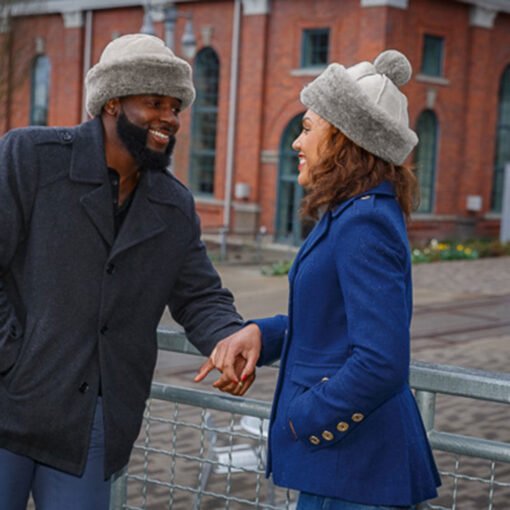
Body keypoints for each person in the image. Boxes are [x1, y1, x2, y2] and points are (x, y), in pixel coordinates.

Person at [0, 33, 255, 510]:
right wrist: (11, 352)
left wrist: (231, 338)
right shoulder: (30, 158)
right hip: (7, 400)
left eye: (176, 107)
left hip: (92, 420)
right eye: (155, 102)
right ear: (112, 103)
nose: (170, 119)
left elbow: (199, 295)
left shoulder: (174, 204)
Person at [196, 49, 441, 509]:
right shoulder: (352, 214)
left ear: (346, 139)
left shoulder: (364, 222)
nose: (296, 142)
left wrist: (302, 418)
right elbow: (333, 322)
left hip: (353, 474)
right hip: (346, 472)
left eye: (308, 128)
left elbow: (382, 361)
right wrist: (262, 334)